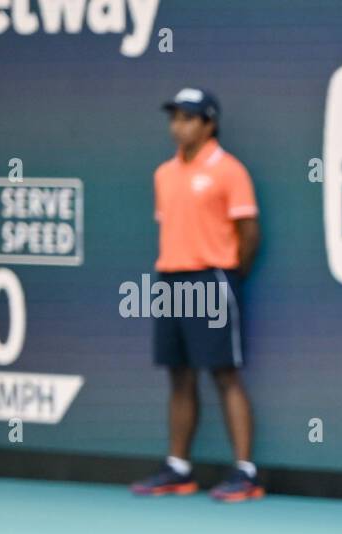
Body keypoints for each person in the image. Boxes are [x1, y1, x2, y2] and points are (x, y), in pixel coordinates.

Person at [130, 87, 264, 502]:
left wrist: (226, 274)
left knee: (225, 373)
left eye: (188, 118)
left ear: (209, 124)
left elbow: (248, 233)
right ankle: (178, 468)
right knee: (178, 374)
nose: (178, 126)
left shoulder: (229, 170)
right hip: (170, 279)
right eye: (174, 118)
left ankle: (245, 471)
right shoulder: (163, 174)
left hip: (213, 279)